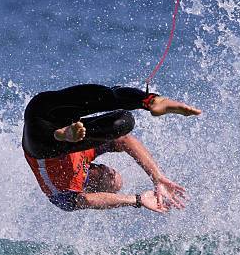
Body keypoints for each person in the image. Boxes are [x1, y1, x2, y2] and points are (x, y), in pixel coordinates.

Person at [22, 84, 201, 212]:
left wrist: (137, 200)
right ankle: (150, 101)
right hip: (62, 118)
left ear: (94, 185)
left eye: (108, 178)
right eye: (110, 172)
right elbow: (125, 140)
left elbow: (88, 201)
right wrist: (157, 177)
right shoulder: (88, 155)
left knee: (48, 128)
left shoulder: (65, 194)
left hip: (38, 138)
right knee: (123, 122)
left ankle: (62, 136)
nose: (109, 173)